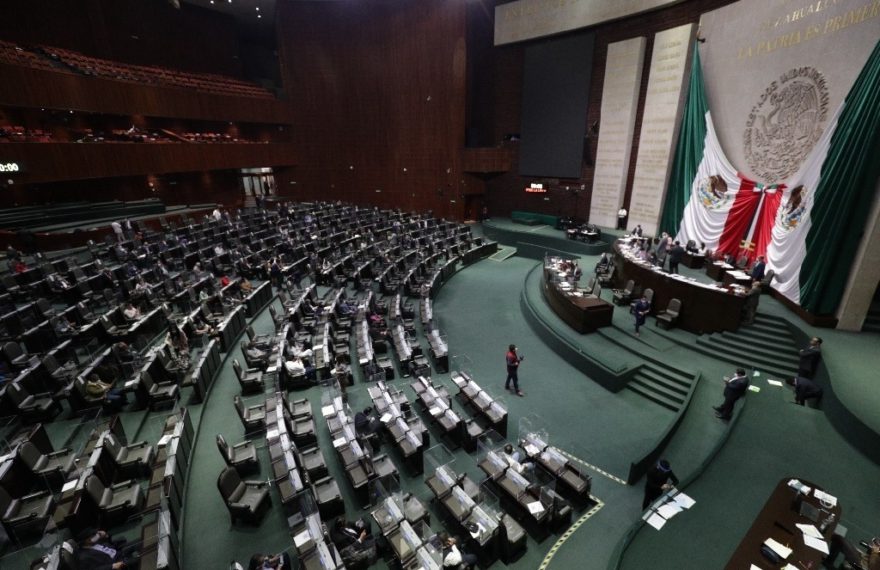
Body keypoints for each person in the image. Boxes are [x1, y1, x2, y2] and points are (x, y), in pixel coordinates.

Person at [75, 528, 140, 570]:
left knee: (139, 542)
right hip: (116, 562)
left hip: (119, 552)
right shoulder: (84, 557)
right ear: (88, 540)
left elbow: (109, 544)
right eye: (94, 535)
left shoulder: (94, 542)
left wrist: (106, 535)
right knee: (140, 559)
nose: (97, 535)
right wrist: (112, 566)